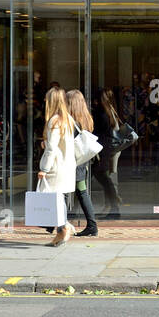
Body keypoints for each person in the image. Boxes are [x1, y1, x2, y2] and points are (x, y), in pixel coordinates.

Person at [37, 86, 77, 246]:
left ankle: (63, 228)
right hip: (67, 165)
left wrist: (44, 168)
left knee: (54, 200)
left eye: (47, 98)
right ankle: (62, 230)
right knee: (58, 200)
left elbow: (52, 147)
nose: (45, 101)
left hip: (56, 167)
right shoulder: (68, 119)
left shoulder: (54, 120)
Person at [66, 90, 101, 238]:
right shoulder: (86, 118)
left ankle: (59, 225)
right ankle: (92, 225)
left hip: (73, 162)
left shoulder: (72, 122)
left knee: (66, 192)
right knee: (82, 192)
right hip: (81, 162)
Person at [95, 88, 126, 219]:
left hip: (106, 148)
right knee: (107, 177)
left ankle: (113, 206)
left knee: (106, 177)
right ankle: (111, 206)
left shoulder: (103, 113)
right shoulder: (111, 110)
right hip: (111, 148)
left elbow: (101, 131)